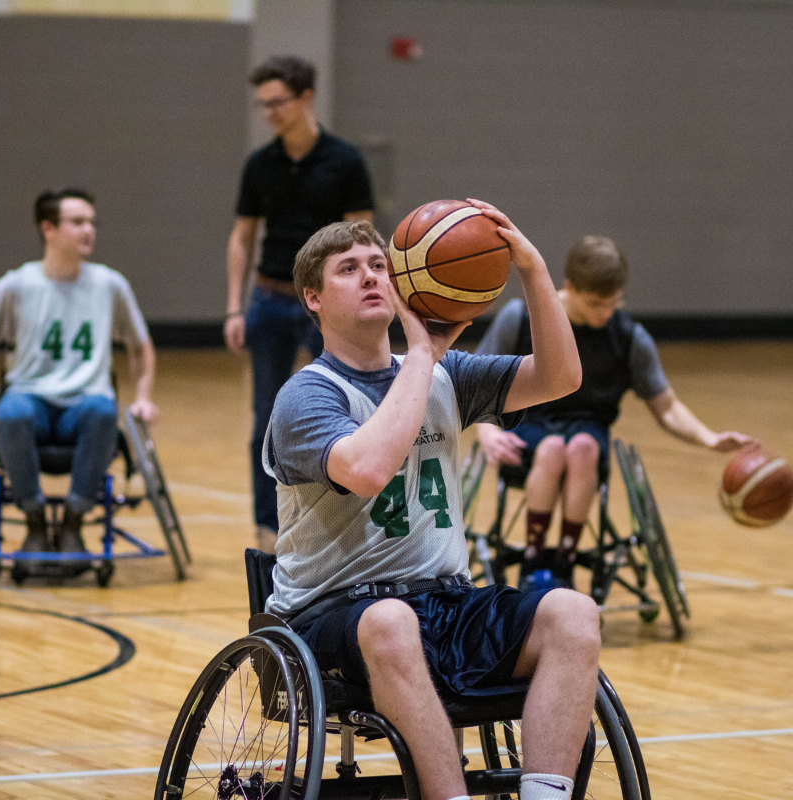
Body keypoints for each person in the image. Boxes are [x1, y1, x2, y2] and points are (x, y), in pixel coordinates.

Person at [263, 202, 601, 800]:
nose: (371, 275)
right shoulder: (305, 397)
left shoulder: (445, 375)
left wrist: (532, 269)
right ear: (312, 298)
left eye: (378, 264)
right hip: (333, 619)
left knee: (573, 614)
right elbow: (367, 469)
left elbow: (560, 378)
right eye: (348, 269)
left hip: (445, 604)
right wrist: (421, 356)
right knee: (391, 621)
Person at [475, 235, 753, 588]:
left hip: (588, 429)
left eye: (613, 303)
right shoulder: (521, 317)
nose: (605, 313)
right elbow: (480, 382)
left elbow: (666, 407)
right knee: (552, 450)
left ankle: (564, 559)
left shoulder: (629, 337)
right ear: (569, 286)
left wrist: (709, 439)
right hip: (530, 423)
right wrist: (488, 431)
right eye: (594, 303)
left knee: (582, 449)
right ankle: (534, 558)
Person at [223, 55, 374, 552]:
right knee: (265, 420)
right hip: (269, 299)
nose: (269, 112)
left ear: (306, 98)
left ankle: (336, 524)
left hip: (324, 306)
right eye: (262, 104)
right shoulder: (259, 164)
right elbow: (243, 237)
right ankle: (268, 534)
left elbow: (362, 237)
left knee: (341, 413)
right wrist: (234, 307)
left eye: (278, 102)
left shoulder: (345, 161)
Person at [0, 188, 158, 575]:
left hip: (83, 403)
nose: (89, 230)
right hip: (30, 397)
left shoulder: (109, 284)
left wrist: (144, 396)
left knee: (103, 409)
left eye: (92, 222)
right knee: (10, 410)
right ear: (47, 228)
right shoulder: (17, 285)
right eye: (78, 222)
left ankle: (73, 524)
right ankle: (34, 522)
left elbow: (141, 346)